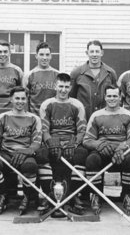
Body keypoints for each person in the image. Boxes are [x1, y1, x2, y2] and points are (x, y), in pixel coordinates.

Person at [0, 87, 42, 215]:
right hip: (6, 153)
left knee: (30, 166)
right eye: (17, 98)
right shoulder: (3, 117)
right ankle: (4, 195)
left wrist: (27, 151)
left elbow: (37, 142)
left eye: (23, 98)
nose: (20, 101)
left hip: (25, 153)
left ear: (27, 100)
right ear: (11, 99)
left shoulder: (34, 118)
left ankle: (27, 197)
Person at [83, 85, 130, 215]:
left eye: (115, 96)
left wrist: (122, 147)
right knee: (91, 159)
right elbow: (87, 140)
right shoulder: (97, 115)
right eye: (109, 96)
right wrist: (99, 145)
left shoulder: (128, 115)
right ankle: (96, 196)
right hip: (103, 152)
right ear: (104, 97)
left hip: (122, 153)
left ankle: (127, 196)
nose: (112, 98)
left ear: (120, 97)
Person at [37, 73, 88, 216]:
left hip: (71, 141)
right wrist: (50, 141)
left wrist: (75, 142)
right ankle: (50, 196)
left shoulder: (77, 104)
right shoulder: (47, 104)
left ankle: (73, 196)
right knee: (42, 155)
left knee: (82, 155)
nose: (63, 90)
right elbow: (44, 128)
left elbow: (82, 129)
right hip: (53, 141)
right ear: (55, 86)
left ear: (70, 87)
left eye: (66, 87)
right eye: (61, 86)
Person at [70, 40, 117, 121]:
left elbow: (116, 97)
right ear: (87, 53)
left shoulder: (110, 73)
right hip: (83, 119)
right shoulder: (77, 73)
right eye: (92, 51)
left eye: (97, 51)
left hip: (105, 120)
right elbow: (71, 98)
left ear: (102, 53)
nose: (94, 54)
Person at [23, 41, 59, 115]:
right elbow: (24, 99)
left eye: (47, 55)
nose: (44, 58)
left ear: (51, 56)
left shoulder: (57, 75)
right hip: (35, 116)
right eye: (41, 54)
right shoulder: (29, 76)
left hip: (53, 117)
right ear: (36, 56)